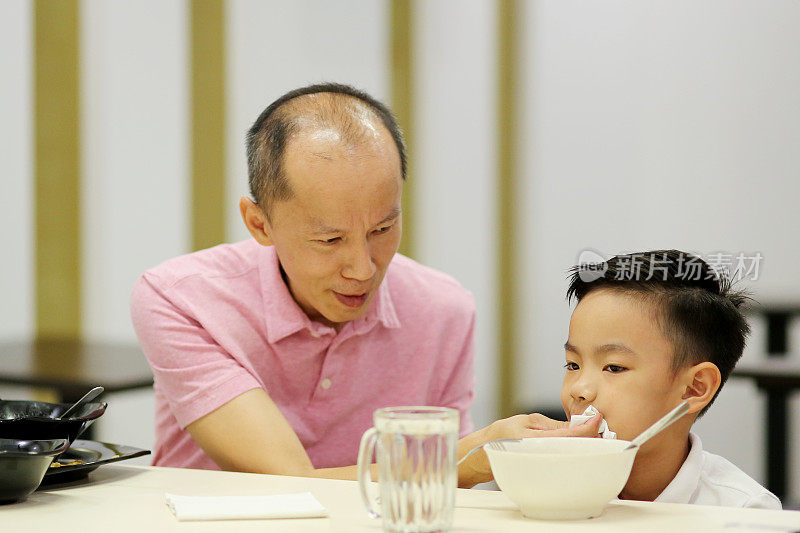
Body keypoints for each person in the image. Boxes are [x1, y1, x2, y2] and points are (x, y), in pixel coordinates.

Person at [130, 82, 600, 488]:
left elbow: (441, 497)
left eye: (382, 229)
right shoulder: (181, 299)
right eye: (329, 239)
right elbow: (289, 480)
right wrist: (473, 454)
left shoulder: (443, 309)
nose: (362, 268)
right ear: (259, 223)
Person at [562, 250, 781, 508]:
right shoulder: (536, 481)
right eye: (573, 364)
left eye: (614, 367)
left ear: (694, 388)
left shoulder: (744, 510)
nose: (579, 389)